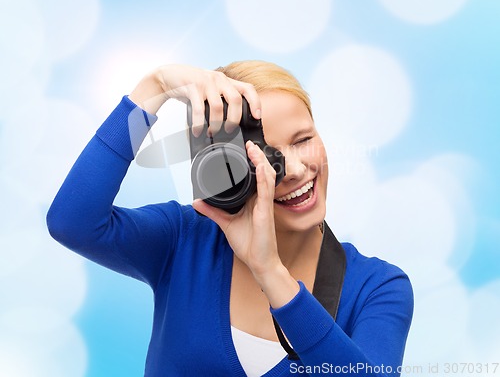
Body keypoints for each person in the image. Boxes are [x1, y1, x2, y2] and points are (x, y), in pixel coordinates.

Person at [47, 61, 413, 377]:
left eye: (303, 140)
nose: (297, 169)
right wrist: (153, 88)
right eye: (266, 156)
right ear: (226, 170)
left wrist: (269, 271)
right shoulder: (185, 240)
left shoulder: (378, 288)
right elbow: (72, 221)